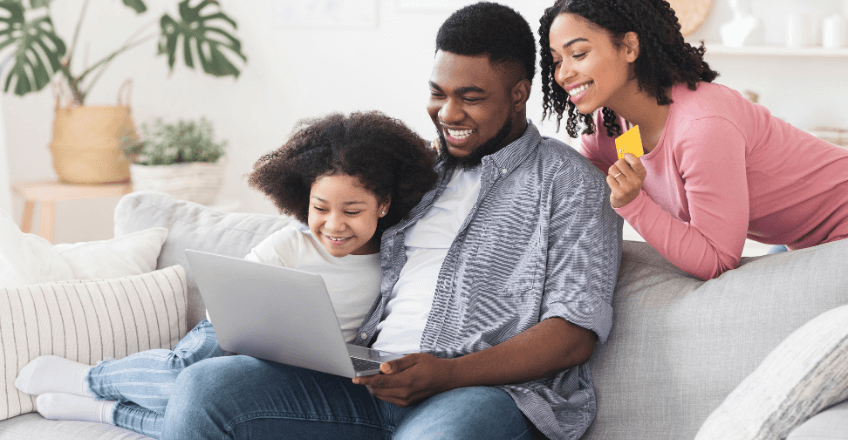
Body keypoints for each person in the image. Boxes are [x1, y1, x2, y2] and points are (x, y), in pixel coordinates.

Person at [157, 3, 622, 440]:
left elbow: (573, 336)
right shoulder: (415, 172)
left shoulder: (571, 182)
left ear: (519, 93)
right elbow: (336, 225)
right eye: (437, 94)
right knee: (205, 390)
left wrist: (447, 373)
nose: (448, 114)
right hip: (368, 380)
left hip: (482, 394)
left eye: (471, 98)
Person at [14, 111, 438, 439]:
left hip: (297, 366)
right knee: (182, 374)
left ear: (383, 205)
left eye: (352, 211)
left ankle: (105, 412)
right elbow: (236, 292)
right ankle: (89, 379)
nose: (333, 225)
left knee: (202, 411)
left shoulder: (391, 262)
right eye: (320, 208)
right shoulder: (292, 242)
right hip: (230, 331)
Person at [540, 0, 848, 280]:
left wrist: (633, 203)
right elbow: (577, 208)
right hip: (797, 243)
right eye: (556, 61)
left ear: (630, 47)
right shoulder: (610, 131)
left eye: (578, 54)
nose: (563, 73)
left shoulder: (702, 127)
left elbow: (716, 260)